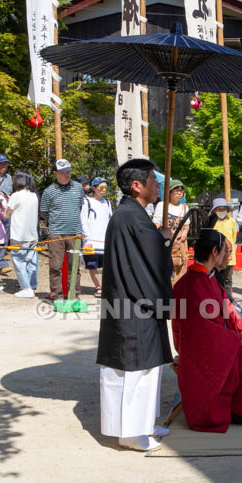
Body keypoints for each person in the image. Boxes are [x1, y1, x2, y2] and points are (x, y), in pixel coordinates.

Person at [171, 229, 242, 432]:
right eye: (225, 251)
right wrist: (235, 340)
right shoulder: (193, 285)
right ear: (214, 252)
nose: (227, 256)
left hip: (219, 346)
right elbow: (201, 331)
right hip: (203, 355)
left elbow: (226, 307)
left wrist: (240, 328)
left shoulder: (205, 278)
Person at [96, 158, 175, 452]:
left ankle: (141, 425)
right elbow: (149, 259)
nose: (158, 186)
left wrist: (160, 238)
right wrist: (162, 242)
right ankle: (131, 433)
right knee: (135, 370)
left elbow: (145, 249)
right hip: (134, 303)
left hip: (131, 301)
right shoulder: (131, 217)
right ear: (137, 185)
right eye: (154, 181)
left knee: (144, 368)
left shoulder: (130, 215)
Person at [39, 159, 84, 302]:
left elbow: (80, 207)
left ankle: (74, 295)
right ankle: (56, 295)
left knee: (75, 266)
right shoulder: (49, 191)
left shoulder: (78, 188)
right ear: (55, 173)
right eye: (63, 172)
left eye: (69, 171)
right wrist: (51, 227)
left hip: (75, 232)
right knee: (55, 266)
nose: (67, 174)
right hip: (56, 233)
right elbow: (43, 213)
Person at [5, 171, 39, 298]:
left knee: (19, 261)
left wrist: (7, 202)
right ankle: (30, 284)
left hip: (18, 234)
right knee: (30, 261)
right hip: (32, 234)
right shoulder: (33, 195)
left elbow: (6, 214)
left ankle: (26, 288)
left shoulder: (16, 195)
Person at [153, 179, 190, 285]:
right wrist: (166, 232)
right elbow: (156, 224)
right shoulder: (162, 205)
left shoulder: (184, 207)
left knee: (181, 270)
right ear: (170, 192)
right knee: (165, 270)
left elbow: (187, 225)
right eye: (177, 190)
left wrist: (184, 233)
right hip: (166, 242)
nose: (179, 193)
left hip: (181, 244)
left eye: (181, 191)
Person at [81, 177, 113, 298]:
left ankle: (106, 286)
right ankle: (98, 286)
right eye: (101, 187)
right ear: (94, 188)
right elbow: (83, 221)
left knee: (107, 265)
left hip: (105, 240)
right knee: (92, 265)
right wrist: (87, 239)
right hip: (91, 240)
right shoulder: (87, 202)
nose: (104, 190)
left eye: (105, 187)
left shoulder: (108, 203)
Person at [207, 198, 237, 288]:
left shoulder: (231, 220)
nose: (222, 211)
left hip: (229, 255)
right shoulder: (211, 221)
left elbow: (233, 237)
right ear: (214, 210)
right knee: (215, 277)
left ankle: (227, 298)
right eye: (219, 209)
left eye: (224, 209)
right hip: (216, 255)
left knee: (228, 278)